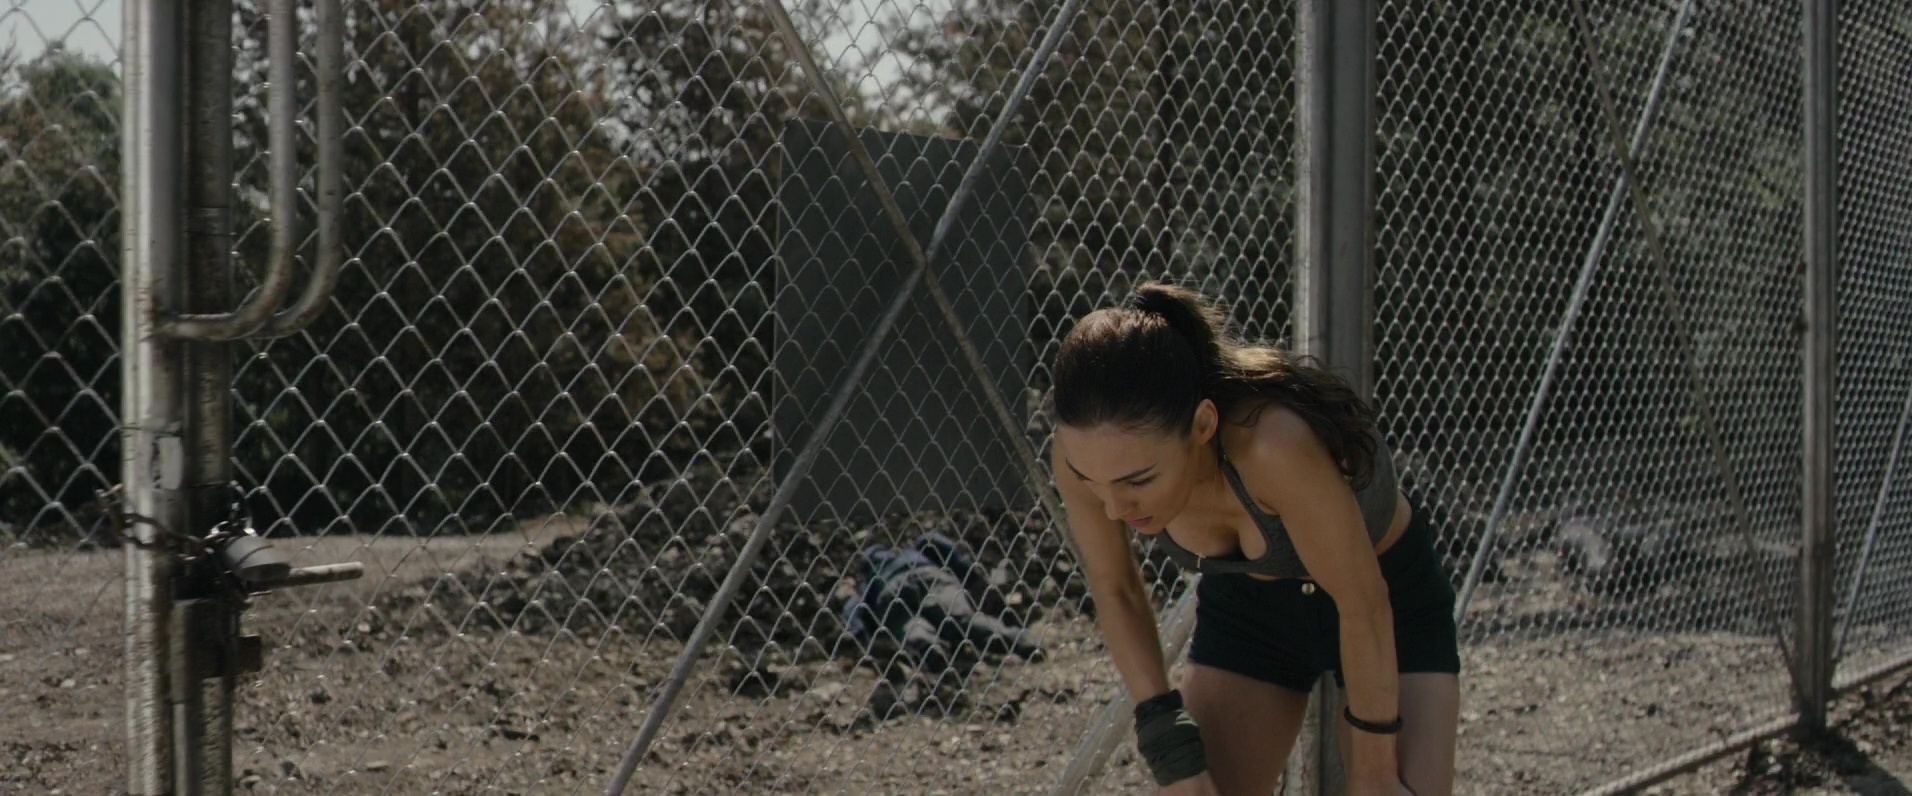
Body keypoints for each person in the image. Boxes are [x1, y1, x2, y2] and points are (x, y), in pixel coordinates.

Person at [1049, 282, 1461, 795]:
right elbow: (1117, 590)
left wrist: (1374, 774)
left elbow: (1365, 604)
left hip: (1386, 603)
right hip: (1251, 621)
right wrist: (1175, 758)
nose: (1114, 508)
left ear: (1203, 424)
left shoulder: (1271, 443)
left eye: (1139, 481)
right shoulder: (1083, 455)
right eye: (1092, 481)